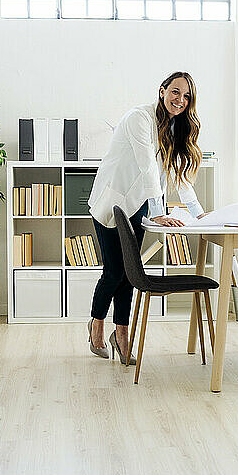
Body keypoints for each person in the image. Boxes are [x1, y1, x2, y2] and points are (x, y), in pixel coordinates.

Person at [87, 71, 207, 363]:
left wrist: (199, 214)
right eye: (175, 92)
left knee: (129, 274)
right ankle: (96, 325)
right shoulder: (138, 118)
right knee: (113, 272)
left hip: (138, 204)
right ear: (162, 90)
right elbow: (147, 167)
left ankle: (122, 334)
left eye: (186, 96)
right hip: (111, 203)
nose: (180, 100)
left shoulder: (174, 127)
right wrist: (160, 213)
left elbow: (177, 173)